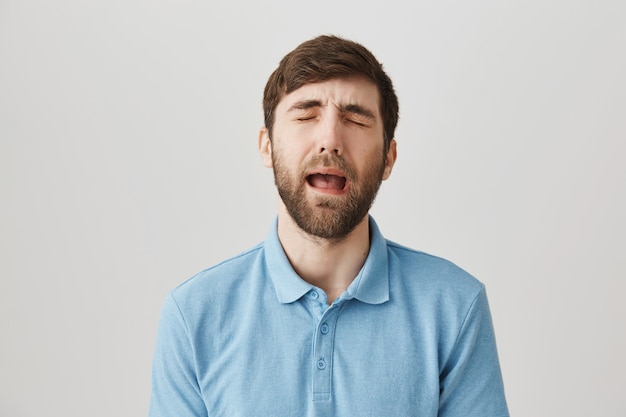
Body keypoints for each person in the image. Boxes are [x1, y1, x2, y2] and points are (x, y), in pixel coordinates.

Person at [149, 35, 509, 417]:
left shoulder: (454, 306)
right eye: (306, 115)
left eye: (355, 119)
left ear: (389, 158)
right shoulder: (193, 315)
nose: (330, 140)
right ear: (267, 146)